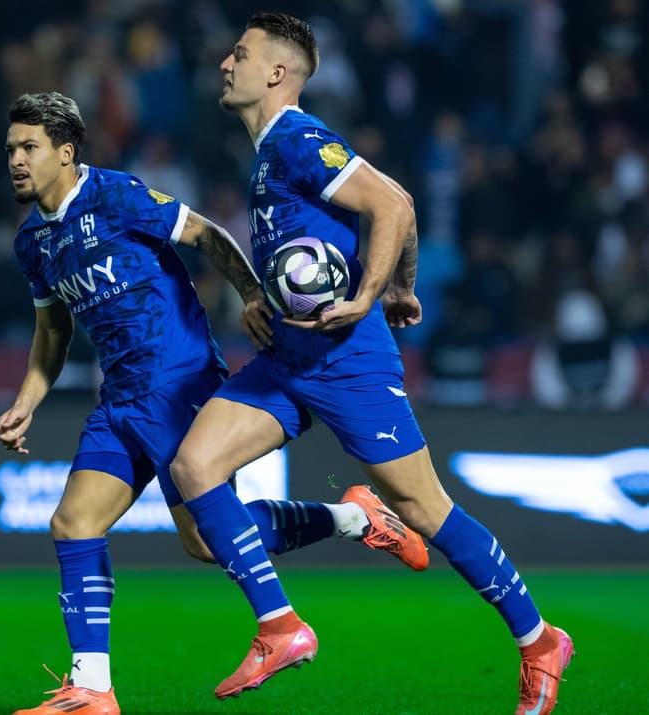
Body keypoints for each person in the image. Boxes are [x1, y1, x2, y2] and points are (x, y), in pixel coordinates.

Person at [169, 13, 574, 715]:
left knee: (427, 506)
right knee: (194, 480)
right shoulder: (267, 153)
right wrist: (399, 285)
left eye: (240, 53)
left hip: (347, 361)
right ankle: (283, 621)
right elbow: (394, 212)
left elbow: (393, 204)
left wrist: (369, 297)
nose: (225, 63)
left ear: (275, 73)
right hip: (289, 356)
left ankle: (540, 641)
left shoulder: (297, 136)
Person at [0, 91, 427, 715]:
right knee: (73, 523)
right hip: (119, 396)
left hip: (179, 380)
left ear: (65, 153)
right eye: (11, 148)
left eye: (29, 147)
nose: (16, 159)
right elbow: (53, 331)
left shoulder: (115, 195)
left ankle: (346, 530)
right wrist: (27, 401)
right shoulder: (32, 244)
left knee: (202, 541)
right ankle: (91, 688)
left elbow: (208, 234)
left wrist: (253, 294)